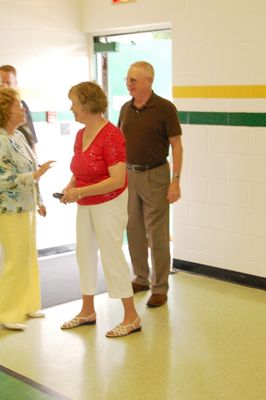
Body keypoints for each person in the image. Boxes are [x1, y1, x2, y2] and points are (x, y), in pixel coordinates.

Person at [60, 81, 141, 338]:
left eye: (74, 103)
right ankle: (87, 310)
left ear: (88, 104)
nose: (71, 108)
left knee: (111, 255)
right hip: (84, 203)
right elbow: (79, 169)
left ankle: (131, 316)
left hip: (109, 202)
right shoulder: (81, 135)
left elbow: (117, 179)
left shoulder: (112, 135)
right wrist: (70, 186)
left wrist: (80, 191)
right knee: (84, 253)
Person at [118, 61, 183, 308]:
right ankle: (141, 277)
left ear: (149, 81)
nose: (129, 84)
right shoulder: (125, 109)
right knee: (133, 229)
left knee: (156, 233)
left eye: (133, 80)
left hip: (156, 174)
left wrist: (175, 181)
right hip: (129, 175)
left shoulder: (165, 108)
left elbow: (177, 145)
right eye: (127, 79)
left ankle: (160, 287)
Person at [0, 87, 54, 331]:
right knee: (16, 260)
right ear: (5, 111)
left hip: (28, 206)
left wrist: (40, 200)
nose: (22, 110)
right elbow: (3, 179)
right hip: (9, 209)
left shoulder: (19, 135)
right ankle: (8, 312)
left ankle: (28, 304)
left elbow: (33, 171)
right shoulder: (1, 140)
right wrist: (33, 175)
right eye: (18, 106)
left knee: (30, 257)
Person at [0, 65, 38, 151]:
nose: (4, 87)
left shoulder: (23, 105)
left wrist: (36, 162)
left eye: (8, 83)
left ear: (15, 84)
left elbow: (31, 137)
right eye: (1, 83)